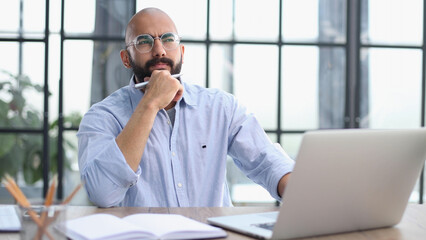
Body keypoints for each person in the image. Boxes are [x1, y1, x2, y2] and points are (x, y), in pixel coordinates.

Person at [77, 7, 295, 207]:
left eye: (168, 39)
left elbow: (268, 163)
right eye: (144, 41)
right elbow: (102, 194)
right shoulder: (101, 117)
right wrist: (150, 103)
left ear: (181, 51)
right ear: (126, 58)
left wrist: (303, 194)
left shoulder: (221, 107)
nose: (159, 50)